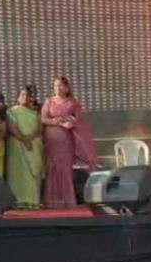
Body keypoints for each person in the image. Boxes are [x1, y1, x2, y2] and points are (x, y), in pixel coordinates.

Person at [40, 76, 98, 208]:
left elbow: (80, 121)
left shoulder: (73, 103)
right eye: (55, 85)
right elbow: (43, 119)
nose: (58, 88)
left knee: (65, 169)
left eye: (61, 85)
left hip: (65, 141)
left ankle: (67, 200)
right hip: (51, 141)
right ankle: (52, 201)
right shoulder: (49, 101)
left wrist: (70, 122)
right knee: (51, 168)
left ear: (67, 88)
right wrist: (57, 122)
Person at [6, 88, 44, 209]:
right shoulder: (11, 112)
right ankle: (17, 201)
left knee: (32, 173)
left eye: (28, 95)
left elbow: (40, 128)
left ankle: (32, 201)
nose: (25, 97)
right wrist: (24, 139)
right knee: (18, 173)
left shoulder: (35, 113)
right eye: (23, 95)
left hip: (33, 145)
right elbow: (12, 128)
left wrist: (29, 139)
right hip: (17, 146)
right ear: (18, 98)